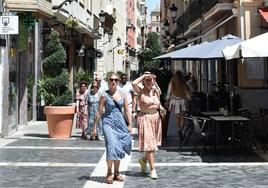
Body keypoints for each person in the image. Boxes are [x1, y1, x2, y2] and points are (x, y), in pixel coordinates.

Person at [91, 72, 132, 184]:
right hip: (108, 124)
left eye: (115, 80)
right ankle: (109, 172)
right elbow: (99, 112)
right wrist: (94, 127)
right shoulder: (104, 95)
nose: (113, 81)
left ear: (118, 82)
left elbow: (127, 110)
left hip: (120, 124)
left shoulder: (123, 94)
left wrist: (130, 124)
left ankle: (117, 173)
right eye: (111, 80)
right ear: (108, 81)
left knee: (118, 148)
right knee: (111, 146)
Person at [132, 72, 162, 179]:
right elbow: (133, 83)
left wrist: (161, 108)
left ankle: (143, 160)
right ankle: (153, 169)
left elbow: (159, 103)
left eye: (150, 80)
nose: (149, 81)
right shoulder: (140, 91)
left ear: (153, 81)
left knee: (152, 146)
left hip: (155, 118)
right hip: (145, 118)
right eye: (147, 80)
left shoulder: (156, 91)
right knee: (149, 145)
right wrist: (144, 76)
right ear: (144, 82)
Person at [166, 70, 191, 138]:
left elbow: (169, 91)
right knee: (183, 116)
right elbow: (186, 91)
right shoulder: (183, 82)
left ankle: (179, 129)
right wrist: (188, 97)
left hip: (174, 100)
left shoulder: (172, 82)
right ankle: (182, 130)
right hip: (182, 100)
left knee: (177, 116)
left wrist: (168, 98)